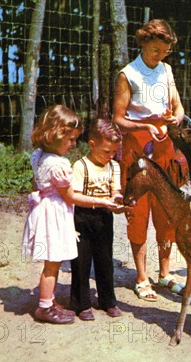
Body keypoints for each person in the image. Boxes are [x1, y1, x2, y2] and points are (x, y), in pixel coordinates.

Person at [22, 104, 124, 324]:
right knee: (61, 261)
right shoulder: (63, 165)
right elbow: (71, 197)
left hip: (51, 211)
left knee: (86, 260)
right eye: (70, 140)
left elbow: (37, 183)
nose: (73, 144)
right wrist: (102, 201)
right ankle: (51, 306)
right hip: (61, 215)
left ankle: (53, 301)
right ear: (56, 136)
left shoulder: (38, 156)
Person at [113, 19, 186, 301]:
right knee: (139, 210)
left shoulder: (166, 71)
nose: (160, 55)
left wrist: (174, 119)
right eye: (155, 49)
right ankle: (142, 276)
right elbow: (118, 118)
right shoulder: (128, 74)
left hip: (165, 145)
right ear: (143, 43)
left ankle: (165, 274)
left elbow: (178, 107)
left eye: (164, 51)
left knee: (167, 210)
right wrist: (144, 127)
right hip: (138, 148)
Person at [70, 118, 126, 320]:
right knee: (81, 261)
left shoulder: (114, 166)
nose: (110, 156)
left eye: (114, 152)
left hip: (104, 217)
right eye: (106, 151)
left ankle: (107, 300)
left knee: (105, 260)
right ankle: (81, 303)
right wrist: (101, 202)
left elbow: (115, 191)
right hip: (82, 217)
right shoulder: (80, 166)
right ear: (92, 144)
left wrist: (119, 201)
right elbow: (74, 196)